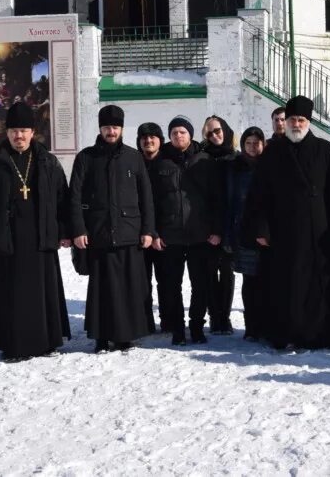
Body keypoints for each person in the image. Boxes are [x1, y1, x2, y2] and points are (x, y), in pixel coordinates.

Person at [244, 95, 330, 350]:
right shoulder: (273, 151)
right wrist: (260, 227)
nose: (296, 124)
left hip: (319, 231)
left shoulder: (325, 149)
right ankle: (286, 332)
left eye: (301, 119)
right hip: (283, 231)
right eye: (293, 119)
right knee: (286, 284)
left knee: (319, 284)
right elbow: (259, 194)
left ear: (309, 121)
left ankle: (320, 334)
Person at [0, 103, 72, 360]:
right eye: (15, 130)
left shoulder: (48, 162)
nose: (19, 136)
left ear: (33, 132)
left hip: (41, 236)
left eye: (24, 130)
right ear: (7, 133)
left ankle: (46, 340)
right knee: (11, 293)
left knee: (41, 291)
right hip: (7, 238)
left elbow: (62, 199)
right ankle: (12, 343)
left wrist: (64, 230)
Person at [70, 106, 155, 353]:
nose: (111, 131)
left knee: (128, 288)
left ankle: (125, 336)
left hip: (129, 232)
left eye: (115, 127)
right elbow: (74, 196)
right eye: (107, 127)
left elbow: (146, 197)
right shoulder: (86, 157)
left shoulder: (133, 157)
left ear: (121, 129)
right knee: (102, 291)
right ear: (100, 128)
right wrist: (78, 229)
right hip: (99, 233)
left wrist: (148, 230)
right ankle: (100, 336)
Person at [149, 116, 222, 345]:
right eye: (174, 133)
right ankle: (178, 329)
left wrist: (216, 228)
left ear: (190, 134)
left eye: (182, 132)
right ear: (169, 137)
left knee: (200, 284)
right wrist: (154, 232)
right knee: (172, 286)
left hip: (201, 235)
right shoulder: (160, 162)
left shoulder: (205, 160)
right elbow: (151, 201)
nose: (178, 136)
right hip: (170, 236)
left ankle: (197, 326)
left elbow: (217, 199)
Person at [226, 127, 266, 340]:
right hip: (244, 232)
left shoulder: (269, 166)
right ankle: (252, 327)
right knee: (249, 282)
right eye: (248, 143)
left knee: (267, 281)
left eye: (256, 143)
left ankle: (267, 324)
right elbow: (231, 201)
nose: (252, 147)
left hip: (267, 233)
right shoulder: (236, 168)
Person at [201, 115, 238, 335]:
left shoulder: (235, 158)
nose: (214, 135)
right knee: (208, 272)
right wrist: (210, 228)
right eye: (209, 133)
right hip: (208, 226)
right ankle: (214, 316)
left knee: (227, 272)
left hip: (229, 224)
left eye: (217, 131)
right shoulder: (202, 158)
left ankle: (224, 316)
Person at [137, 122, 170, 334]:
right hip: (139, 233)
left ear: (160, 140)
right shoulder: (133, 162)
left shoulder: (168, 162)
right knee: (141, 282)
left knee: (166, 281)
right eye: (144, 138)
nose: (148, 141)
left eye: (153, 137)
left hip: (164, 233)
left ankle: (168, 320)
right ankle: (145, 321)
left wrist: (159, 232)